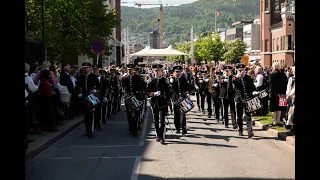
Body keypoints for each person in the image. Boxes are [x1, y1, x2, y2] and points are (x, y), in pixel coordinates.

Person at [147, 64, 170, 145]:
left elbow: (168, 92)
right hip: (154, 102)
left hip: (162, 102)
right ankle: (158, 135)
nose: (157, 72)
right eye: (155, 71)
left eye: (158, 71)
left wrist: (167, 100)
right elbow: (147, 92)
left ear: (161, 71)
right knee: (156, 119)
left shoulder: (165, 80)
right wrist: (154, 93)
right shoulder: (151, 81)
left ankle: (162, 136)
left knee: (162, 120)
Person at [75, 62, 100, 138]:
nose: (85, 69)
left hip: (92, 97)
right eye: (84, 68)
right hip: (84, 97)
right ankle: (87, 129)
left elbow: (98, 86)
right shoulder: (80, 77)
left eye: (87, 68)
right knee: (86, 115)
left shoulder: (93, 76)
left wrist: (95, 90)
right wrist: (78, 93)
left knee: (91, 114)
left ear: (90, 68)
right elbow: (77, 87)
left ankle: (90, 131)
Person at [233, 63, 256, 137]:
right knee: (239, 116)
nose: (241, 72)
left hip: (247, 98)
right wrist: (236, 78)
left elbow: (252, 87)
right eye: (239, 70)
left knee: (248, 115)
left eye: (242, 70)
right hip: (239, 99)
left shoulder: (248, 78)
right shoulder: (235, 78)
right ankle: (240, 130)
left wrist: (254, 91)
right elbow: (233, 84)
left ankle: (250, 131)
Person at [122, 64, 145, 137]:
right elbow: (124, 89)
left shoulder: (138, 78)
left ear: (133, 70)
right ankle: (131, 127)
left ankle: (135, 130)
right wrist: (126, 96)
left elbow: (142, 88)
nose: (129, 71)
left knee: (136, 114)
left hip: (136, 98)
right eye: (128, 70)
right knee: (129, 114)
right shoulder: (125, 78)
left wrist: (139, 94)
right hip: (128, 98)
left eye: (131, 69)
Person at [169, 65, 190, 134]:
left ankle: (184, 127)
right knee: (176, 114)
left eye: (179, 72)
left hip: (182, 97)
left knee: (183, 113)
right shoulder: (172, 79)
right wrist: (171, 82)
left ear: (181, 72)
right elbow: (170, 90)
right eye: (176, 72)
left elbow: (187, 87)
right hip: (175, 98)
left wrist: (187, 92)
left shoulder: (184, 79)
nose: (178, 73)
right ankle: (177, 128)